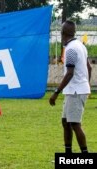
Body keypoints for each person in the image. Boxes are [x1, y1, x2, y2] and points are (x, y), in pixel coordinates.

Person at [49, 20, 92, 153]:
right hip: (76, 90)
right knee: (65, 122)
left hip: (76, 91)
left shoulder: (71, 49)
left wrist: (56, 92)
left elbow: (69, 73)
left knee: (74, 124)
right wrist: (87, 85)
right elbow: (89, 67)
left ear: (63, 33)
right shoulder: (80, 45)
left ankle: (85, 156)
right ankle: (68, 155)